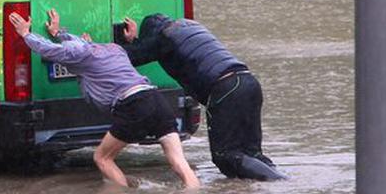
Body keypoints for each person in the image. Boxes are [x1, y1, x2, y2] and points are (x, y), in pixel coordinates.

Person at [8, 8, 200, 189]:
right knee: (179, 162)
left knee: (102, 158)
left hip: (132, 105)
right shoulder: (114, 49)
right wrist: (59, 33)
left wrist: (26, 34)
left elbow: (49, 50)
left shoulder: (82, 54)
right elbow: (76, 44)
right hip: (156, 99)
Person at [118, 14, 285, 181]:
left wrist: (92, 46)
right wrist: (136, 41)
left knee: (224, 155)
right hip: (249, 82)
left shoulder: (163, 39)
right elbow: (148, 49)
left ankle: (279, 182)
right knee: (252, 152)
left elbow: (125, 57)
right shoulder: (189, 26)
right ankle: (270, 185)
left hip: (225, 89)